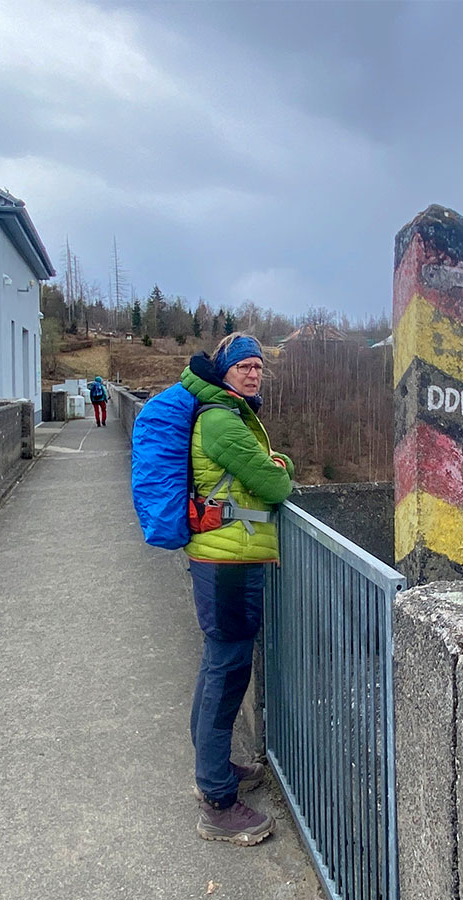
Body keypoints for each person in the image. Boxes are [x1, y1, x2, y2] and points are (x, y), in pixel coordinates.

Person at [180, 333, 294, 845]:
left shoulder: (227, 415)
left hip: (225, 557)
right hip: (227, 563)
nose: (253, 373)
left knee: (218, 665)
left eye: (258, 366)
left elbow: (267, 470)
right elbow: (273, 485)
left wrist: (275, 465)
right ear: (223, 371)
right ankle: (217, 801)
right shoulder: (223, 421)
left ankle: (214, 768)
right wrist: (280, 470)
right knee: (227, 672)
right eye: (244, 366)